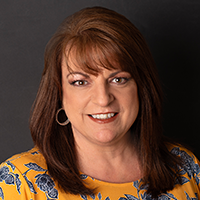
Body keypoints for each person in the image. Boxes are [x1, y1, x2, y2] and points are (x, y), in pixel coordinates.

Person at [0, 6, 199, 200]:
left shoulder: (186, 168)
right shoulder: (19, 183)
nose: (103, 99)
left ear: (141, 86)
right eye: (80, 82)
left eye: (118, 79)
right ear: (59, 94)